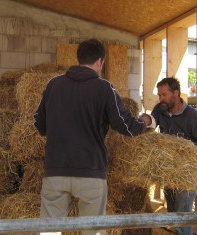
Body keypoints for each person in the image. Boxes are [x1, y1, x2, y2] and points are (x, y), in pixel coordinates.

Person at [34, 38, 155, 235]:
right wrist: (146, 122)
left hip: (55, 171)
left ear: (79, 58)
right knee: (93, 231)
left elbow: (39, 124)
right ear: (100, 61)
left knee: (49, 231)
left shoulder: (53, 85)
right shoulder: (104, 88)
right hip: (90, 173)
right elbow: (127, 126)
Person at [151, 77, 197, 235]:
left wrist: (193, 151)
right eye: (159, 95)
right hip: (169, 167)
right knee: (173, 209)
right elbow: (151, 124)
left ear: (176, 94)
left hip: (187, 170)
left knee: (183, 210)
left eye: (164, 95)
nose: (161, 99)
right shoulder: (160, 110)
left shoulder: (192, 116)